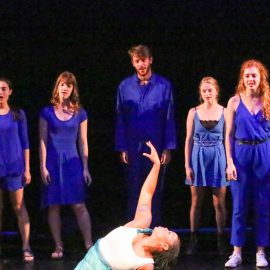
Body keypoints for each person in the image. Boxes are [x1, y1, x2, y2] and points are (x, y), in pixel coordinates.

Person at [75, 141, 180, 270]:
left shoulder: (145, 264)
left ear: (164, 246)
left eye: (169, 233)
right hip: (87, 261)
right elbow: (146, 194)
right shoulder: (140, 225)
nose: (166, 228)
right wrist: (156, 166)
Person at [115, 45, 177, 227]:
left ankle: (153, 233)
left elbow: (169, 117)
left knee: (155, 190)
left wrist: (168, 147)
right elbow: (120, 118)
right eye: (137, 61)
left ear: (150, 60)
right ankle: (133, 236)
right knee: (134, 190)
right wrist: (122, 147)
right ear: (133, 63)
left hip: (156, 145)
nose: (141, 64)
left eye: (144, 60)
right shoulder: (124, 87)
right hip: (133, 147)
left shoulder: (164, 85)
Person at [39, 71, 93, 259]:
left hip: (72, 162)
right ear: (57, 86)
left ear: (72, 89)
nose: (65, 88)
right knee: (54, 205)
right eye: (62, 84)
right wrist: (43, 166)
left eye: (69, 85)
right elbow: (42, 141)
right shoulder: (46, 112)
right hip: (53, 162)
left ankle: (89, 244)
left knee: (79, 205)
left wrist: (85, 167)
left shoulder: (80, 113)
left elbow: (83, 141)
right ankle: (58, 246)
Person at [224, 60, 270, 268]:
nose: (251, 79)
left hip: (263, 153)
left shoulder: (268, 100)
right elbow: (228, 135)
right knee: (239, 206)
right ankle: (237, 252)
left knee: (262, 205)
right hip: (241, 154)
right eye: (247, 76)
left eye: (254, 75)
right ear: (242, 78)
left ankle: (261, 251)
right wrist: (229, 162)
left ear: (261, 78)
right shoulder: (234, 102)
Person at [184, 77, 228, 255]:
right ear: (200, 93)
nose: (207, 94)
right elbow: (187, 140)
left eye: (210, 90)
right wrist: (187, 165)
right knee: (196, 201)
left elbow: (228, 140)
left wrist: (229, 163)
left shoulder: (225, 112)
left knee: (219, 202)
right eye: (204, 91)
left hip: (218, 157)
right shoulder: (193, 112)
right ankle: (194, 239)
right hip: (198, 157)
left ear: (216, 91)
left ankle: (221, 240)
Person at [0, 78, 34, 262]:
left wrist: (27, 169)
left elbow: (25, 143)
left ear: (10, 91)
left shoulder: (17, 114)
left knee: (19, 207)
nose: (0, 93)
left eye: (4, 89)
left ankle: (26, 246)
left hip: (14, 167)